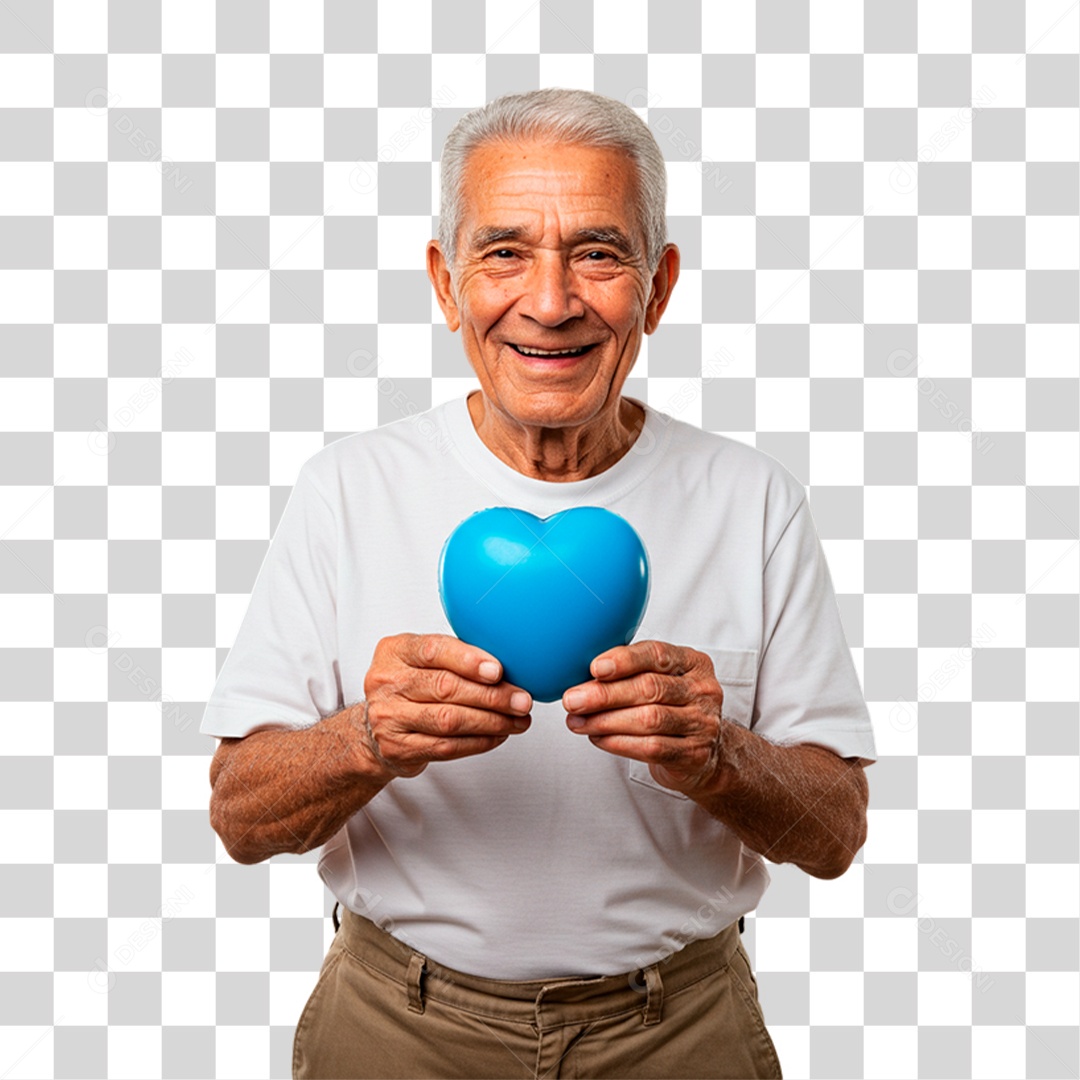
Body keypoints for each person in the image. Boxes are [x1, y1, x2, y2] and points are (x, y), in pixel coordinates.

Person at [202, 87, 876, 1080]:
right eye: (504, 252)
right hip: (396, 1026)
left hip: (681, 1033)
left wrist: (718, 755)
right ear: (445, 283)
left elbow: (835, 833)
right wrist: (366, 738)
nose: (551, 301)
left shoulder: (754, 499)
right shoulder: (347, 489)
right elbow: (239, 815)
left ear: (657, 287)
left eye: (598, 253)